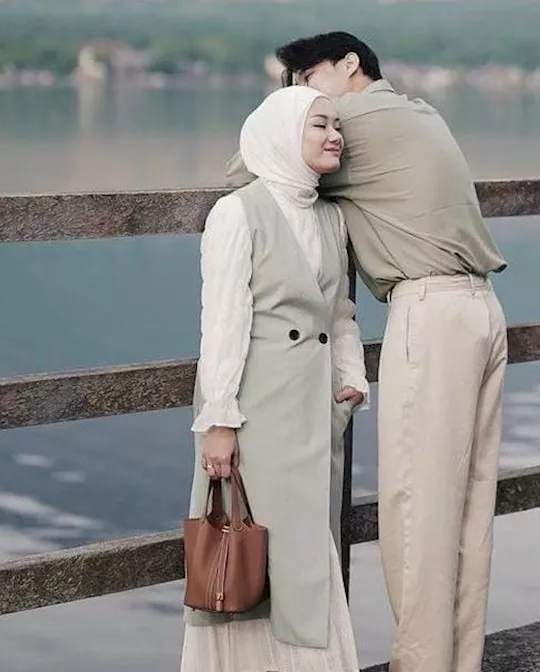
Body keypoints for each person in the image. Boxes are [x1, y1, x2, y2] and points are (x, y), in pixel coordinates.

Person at [226, 31, 509, 672]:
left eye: (306, 75)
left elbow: (255, 163)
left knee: (415, 508)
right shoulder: (420, 112)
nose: (297, 92)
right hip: (484, 310)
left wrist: (299, 126)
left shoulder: (348, 121)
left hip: (430, 313)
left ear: (350, 65)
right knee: (469, 511)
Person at [182, 85, 369, 672]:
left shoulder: (331, 217)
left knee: (307, 555)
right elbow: (224, 323)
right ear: (284, 134)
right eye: (319, 125)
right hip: (255, 412)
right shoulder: (237, 211)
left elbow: (339, 313)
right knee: (251, 548)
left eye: (336, 124)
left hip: (314, 410)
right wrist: (218, 422)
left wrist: (352, 379)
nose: (334, 135)